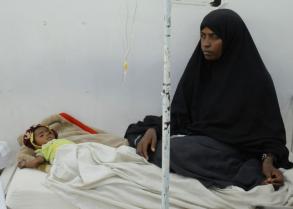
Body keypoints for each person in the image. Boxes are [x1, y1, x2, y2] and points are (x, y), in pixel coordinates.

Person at [125, 9, 292, 191]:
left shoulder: (256, 80)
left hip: (235, 151)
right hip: (201, 143)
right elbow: (179, 115)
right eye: (203, 36)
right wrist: (156, 129)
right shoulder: (200, 69)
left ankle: (246, 174)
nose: (205, 44)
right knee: (151, 141)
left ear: (230, 40)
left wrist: (267, 161)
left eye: (213, 37)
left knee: (172, 151)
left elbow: (271, 138)